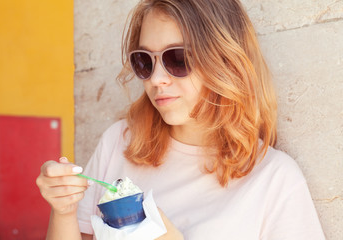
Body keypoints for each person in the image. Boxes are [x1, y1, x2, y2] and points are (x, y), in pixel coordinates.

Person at [36, 0, 326, 239]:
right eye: (145, 61)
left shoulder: (275, 180)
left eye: (178, 59)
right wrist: (63, 210)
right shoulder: (120, 142)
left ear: (225, 61)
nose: (157, 79)